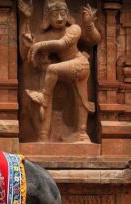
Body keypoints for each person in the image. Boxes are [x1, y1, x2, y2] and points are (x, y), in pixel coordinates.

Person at [18, 0, 101, 142]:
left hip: (80, 65)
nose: (59, 19)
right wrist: (26, 19)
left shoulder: (74, 29)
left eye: (63, 14)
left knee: (54, 73)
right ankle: (43, 135)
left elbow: (92, 40)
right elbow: (25, 52)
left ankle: (82, 132)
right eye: (55, 15)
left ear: (68, 15)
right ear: (47, 17)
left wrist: (89, 23)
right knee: (72, 95)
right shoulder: (47, 36)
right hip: (64, 70)